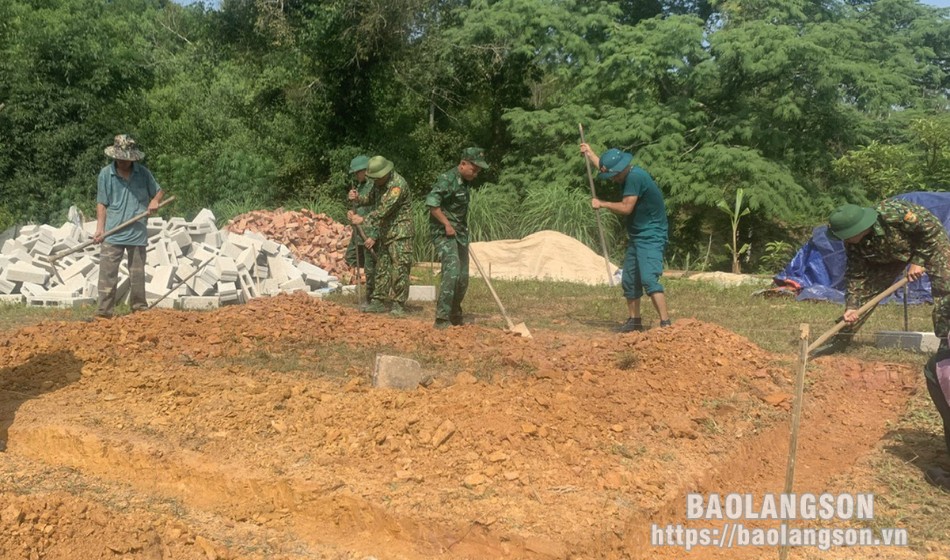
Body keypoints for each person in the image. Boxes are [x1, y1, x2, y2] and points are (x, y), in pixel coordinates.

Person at [823, 200, 950, 489]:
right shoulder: (853, 243)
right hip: (888, 255)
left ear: (864, 226)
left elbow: (929, 231)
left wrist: (919, 259)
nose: (848, 241)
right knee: (862, 300)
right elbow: (857, 275)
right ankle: (838, 341)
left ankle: (947, 344)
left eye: (850, 236)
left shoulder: (893, 214)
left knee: (946, 289)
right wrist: (853, 306)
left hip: (927, 244)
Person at [581, 143, 671, 332]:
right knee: (629, 279)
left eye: (613, 175)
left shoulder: (635, 178)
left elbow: (626, 208)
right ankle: (634, 321)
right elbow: (605, 167)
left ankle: (666, 324)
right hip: (638, 235)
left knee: (648, 278)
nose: (612, 179)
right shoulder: (624, 173)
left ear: (621, 170)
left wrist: (602, 204)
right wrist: (590, 154)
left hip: (651, 235)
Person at [94, 134, 164, 318]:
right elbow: (102, 203)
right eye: (121, 158)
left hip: (137, 231)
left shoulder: (143, 173)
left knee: (137, 275)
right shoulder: (105, 174)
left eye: (127, 159)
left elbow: (158, 192)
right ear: (115, 156)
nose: (124, 162)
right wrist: (100, 229)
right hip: (113, 232)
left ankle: (139, 309)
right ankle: (104, 313)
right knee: (107, 275)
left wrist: (155, 201)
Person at [427, 147, 489, 329]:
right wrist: (446, 224)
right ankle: (442, 318)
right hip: (443, 232)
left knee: (463, 276)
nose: (476, 174)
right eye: (474, 169)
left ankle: (454, 312)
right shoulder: (447, 179)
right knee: (452, 271)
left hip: (460, 232)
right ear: (463, 164)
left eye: (478, 171)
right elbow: (432, 205)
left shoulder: (465, 181)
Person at [348, 155, 413, 316]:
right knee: (382, 268)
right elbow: (370, 199)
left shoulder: (397, 186)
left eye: (376, 178)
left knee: (400, 268)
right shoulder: (379, 184)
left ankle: (398, 304)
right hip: (385, 232)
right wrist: (357, 198)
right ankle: (378, 300)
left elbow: (384, 210)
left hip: (400, 233)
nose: (374, 182)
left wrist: (362, 219)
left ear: (385, 174)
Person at [344, 155, 379, 307]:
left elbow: (379, 211)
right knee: (351, 257)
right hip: (358, 232)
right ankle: (368, 293)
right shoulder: (360, 187)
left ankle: (373, 298)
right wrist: (351, 213)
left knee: (372, 267)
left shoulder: (374, 186)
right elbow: (360, 208)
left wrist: (375, 234)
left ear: (365, 170)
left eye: (357, 172)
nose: (356, 176)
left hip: (369, 232)